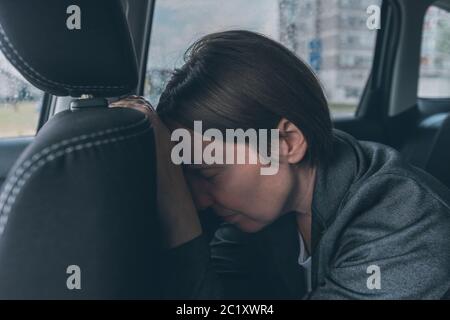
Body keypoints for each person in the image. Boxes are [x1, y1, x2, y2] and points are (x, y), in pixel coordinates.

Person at [111, 30, 450, 299]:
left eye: (208, 172)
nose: (199, 200)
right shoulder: (259, 212)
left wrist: (175, 211)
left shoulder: (406, 228)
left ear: (287, 142)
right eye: (186, 177)